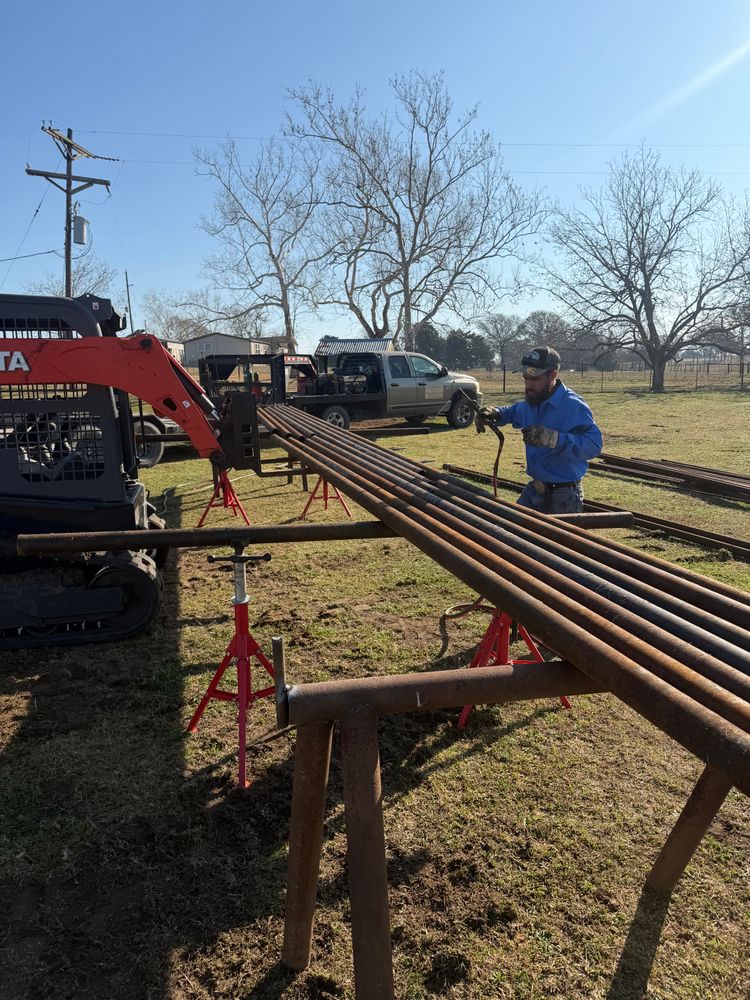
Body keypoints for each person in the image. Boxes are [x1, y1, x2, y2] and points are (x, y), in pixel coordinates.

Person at [477, 346, 602, 513]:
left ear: (552, 376)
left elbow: (593, 445)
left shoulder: (572, 405)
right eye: (525, 378)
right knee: (512, 530)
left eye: (534, 380)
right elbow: (512, 412)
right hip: (535, 489)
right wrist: (494, 413)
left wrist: (554, 439)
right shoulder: (533, 401)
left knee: (553, 540)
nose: (528, 385)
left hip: (563, 496)